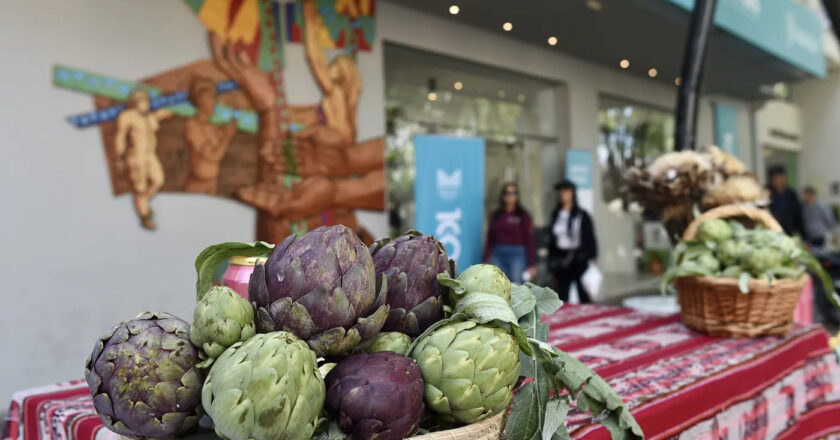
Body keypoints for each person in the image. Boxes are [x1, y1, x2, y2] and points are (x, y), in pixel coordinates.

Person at [113, 89, 172, 230]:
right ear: (134, 103)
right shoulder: (127, 116)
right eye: (141, 101)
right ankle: (144, 215)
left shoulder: (150, 117)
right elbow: (120, 136)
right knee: (140, 188)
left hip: (150, 155)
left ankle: (143, 202)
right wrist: (119, 156)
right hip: (136, 157)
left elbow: (165, 113)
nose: (144, 104)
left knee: (159, 180)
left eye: (146, 100)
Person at [184, 76, 237, 194]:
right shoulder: (192, 126)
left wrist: (227, 129)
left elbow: (219, 139)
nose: (215, 102)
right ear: (200, 98)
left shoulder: (211, 126)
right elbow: (213, 155)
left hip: (212, 183)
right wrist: (227, 136)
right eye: (212, 97)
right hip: (197, 186)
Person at [548, 180, 598, 303]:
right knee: (561, 292)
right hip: (561, 257)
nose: (563, 194)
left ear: (572, 193)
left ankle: (588, 316)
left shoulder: (582, 214)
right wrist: (551, 258)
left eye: (566, 191)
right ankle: (563, 318)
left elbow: (590, 236)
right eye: (561, 191)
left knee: (583, 292)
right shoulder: (556, 213)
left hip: (578, 257)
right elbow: (553, 238)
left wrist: (593, 255)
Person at [482, 183, 536, 283]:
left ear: (517, 196)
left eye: (513, 193)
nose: (510, 196)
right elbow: (490, 239)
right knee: (498, 284)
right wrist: (485, 259)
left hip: (517, 254)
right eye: (507, 193)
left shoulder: (523, 215)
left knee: (516, 285)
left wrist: (531, 264)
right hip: (498, 253)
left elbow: (530, 240)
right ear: (503, 196)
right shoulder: (496, 215)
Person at [768, 166, 804, 237]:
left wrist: (803, 236)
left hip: (789, 232)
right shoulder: (767, 193)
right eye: (775, 179)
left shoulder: (791, 195)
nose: (778, 181)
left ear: (784, 178)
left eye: (780, 178)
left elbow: (798, 216)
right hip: (771, 232)